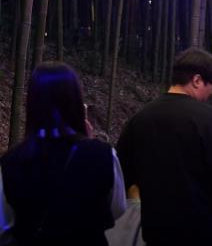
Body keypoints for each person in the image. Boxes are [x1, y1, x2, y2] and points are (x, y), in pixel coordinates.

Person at [116, 48, 212, 246]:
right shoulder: (209, 120)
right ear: (197, 80)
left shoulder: (140, 119)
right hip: (204, 233)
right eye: (210, 85)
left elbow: (122, 176)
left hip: (156, 233)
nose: (211, 93)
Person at [0, 62, 126, 245]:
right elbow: (117, 208)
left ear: (33, 102)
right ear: (76, 101)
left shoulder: (11, 162)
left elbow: (4, 225)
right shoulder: (103, 154)